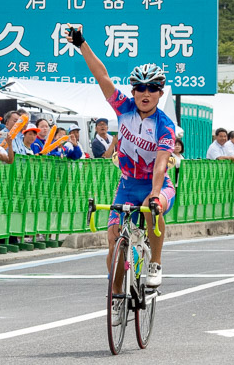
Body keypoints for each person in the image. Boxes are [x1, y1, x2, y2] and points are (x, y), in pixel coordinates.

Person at [66, 25, 175, 325]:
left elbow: (162, 163)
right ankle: (117, 297)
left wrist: (155, 193)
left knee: (155, 209)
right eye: (140, 87)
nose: (145, 93)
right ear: (133, 91)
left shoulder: (164, 125)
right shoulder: (123, 109)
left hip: (156, 184)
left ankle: (155, 262)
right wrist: (81, 44)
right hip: (126, 186)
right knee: (113, 244)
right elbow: (102, 76)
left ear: (159, 93)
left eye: (152, 88)